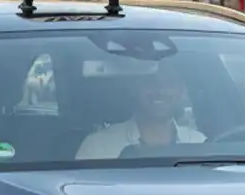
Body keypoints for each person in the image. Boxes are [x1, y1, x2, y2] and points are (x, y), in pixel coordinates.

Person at [75, 59, 207, 159]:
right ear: (134, 88)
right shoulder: (98, 147)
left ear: (181, 90)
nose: (160, 90)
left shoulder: (199, 144)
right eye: (150, 81)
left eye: (170, 82)